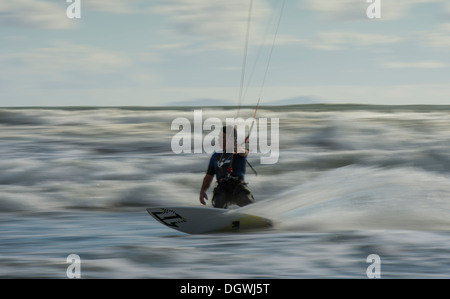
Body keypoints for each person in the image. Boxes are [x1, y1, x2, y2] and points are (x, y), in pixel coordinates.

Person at [199, 125, 254, 209]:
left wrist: (237, 148)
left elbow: (245, 152)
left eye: (222, 137)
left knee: (245, 198)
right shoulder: (215, 156)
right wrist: (202, 191)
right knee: (219, 200)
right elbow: (208, 176)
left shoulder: (239, 152)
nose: (218, 139)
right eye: (219, 137)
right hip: (222, 188)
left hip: (238, 187)